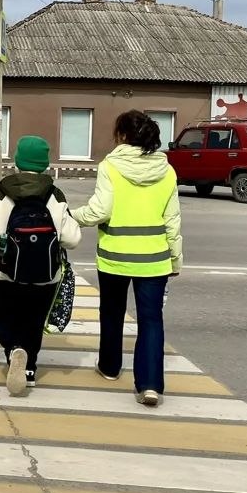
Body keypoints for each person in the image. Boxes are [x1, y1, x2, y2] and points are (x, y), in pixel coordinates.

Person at [71, 110, 182, 406]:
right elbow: (172, 220)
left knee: (111, 312)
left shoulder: (111, 166)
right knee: (151, 320)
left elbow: (100, 211)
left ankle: (109, 367)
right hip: (154, 258)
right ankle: (150, 385)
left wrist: (70, 217)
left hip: (115, 256)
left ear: (121, 136)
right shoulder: (167, 170)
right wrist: (175, 259)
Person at [0, 136, 81, 397]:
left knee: (4, 320)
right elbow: (72, 238)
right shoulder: (54, 195)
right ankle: (28, 367)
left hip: (10, 275)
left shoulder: (3, 193)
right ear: (45, 164)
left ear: (17, 161)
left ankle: (13, 350)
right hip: (46, 277)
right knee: (34, 321)